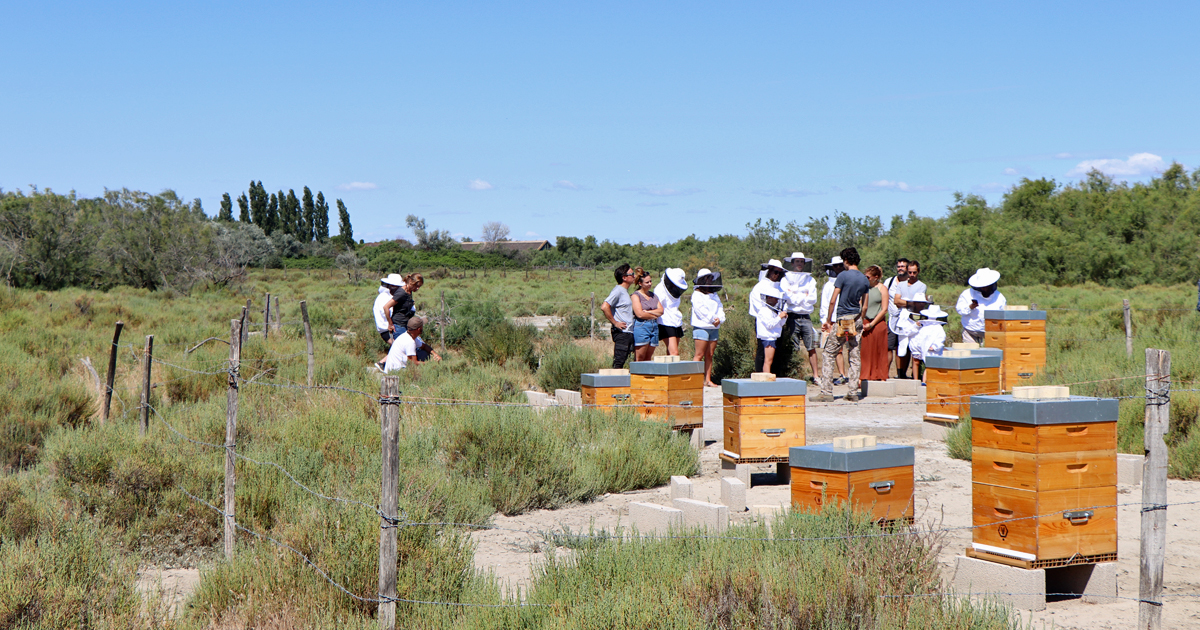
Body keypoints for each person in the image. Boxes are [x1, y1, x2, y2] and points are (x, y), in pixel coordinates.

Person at [817, 247, 869, 402]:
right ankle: (853, 391)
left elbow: (833, 300)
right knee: (854, 353)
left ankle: (826, 391)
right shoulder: (864, 279)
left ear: (846, 260)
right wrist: (861, 319)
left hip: (844, 317)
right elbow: (865, 305)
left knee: (829, 351)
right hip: (857, 317)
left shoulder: (843, 276)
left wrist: (828, 320)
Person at [780, 252, 820, 383]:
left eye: (801, 261)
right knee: (793, 347)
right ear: (792, 263)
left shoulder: (810, 279)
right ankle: (795, 376)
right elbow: (787, 298)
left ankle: (816, 376)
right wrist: (803, 295)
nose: (799, 264)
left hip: (806, 317)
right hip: (791, 317)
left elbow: (813, 298)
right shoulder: (785, 279)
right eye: (797, 261)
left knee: (811, 347)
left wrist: (796, 295)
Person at [890, 260, 928, 379]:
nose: (912, 275)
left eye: (914, 272)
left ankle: (916, 375)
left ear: (918, 272)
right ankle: (901, 373)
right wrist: (910, 303)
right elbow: (896, 301)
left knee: (915, 346)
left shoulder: (922, 286)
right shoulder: (901, 285)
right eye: (910, 272)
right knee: (901, 346)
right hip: (903, 319)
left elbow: (919, 304)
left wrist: (905, 302)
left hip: (914, 318)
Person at [749, 259, 787, 374]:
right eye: (776, 272)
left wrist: (781, 316)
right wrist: (774, 316)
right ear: (769, 271)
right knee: (762, 352)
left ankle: (772, 375)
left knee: (775, 352)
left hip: (777, 324)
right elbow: (759, 307)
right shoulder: (759, 287)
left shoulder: (779, 288)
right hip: (764, 323)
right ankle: (760, 375)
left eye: (780, 273)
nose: (777, 275)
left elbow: (784, 303)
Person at [691, 269, 725, 387]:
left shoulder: (714, 294)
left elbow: (720, 307)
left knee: (710, 354)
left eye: (711, 278)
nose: (710, 280)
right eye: (708, 278)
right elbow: (700, 310)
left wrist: (720, 318)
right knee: (699, 354)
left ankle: (708, 380)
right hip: (701, 327)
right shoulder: (696, 294)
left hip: (714, 328)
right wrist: (712, 319)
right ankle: (694, 381)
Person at [956, 267, 1006, 343]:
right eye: (983, 287)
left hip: (991, 331)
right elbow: (960, 310)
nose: (985, 289)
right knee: (971, 353)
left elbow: (1003, 315)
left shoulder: (999, 297)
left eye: (987, 286)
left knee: (993, 353)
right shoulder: (967, 294)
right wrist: (970, 307)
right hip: (970, 330)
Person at [819, 256, 849, 385]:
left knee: (848, 348)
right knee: (831, 349)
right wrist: (826, 321)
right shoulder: (828, 285)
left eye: (840, 265)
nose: (838, 268)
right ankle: (831, 375)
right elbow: (825, 304)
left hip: (846, 318)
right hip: (832, 320)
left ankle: (845, 375)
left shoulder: (848, 282)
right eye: (835, 266)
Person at [600, 264, 636, 368]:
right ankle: (613, 383)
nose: (634, 276)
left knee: (625, 361)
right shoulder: (618, 290)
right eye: (631, 274)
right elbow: (605, 306)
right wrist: (615, 323)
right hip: (622, 333)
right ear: (624, 277)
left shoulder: (624, 291)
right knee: (619, 362)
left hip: (628, 332)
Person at [859, 265, 890, 383]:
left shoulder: (882, 288)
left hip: (877, 323)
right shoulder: (864, 288)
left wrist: (872, 324)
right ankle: (864, 377)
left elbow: (884, 309)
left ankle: (881, 376)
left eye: (867, 277)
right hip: (865, 322)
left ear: (875, 277)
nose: (865, 278)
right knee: (865, 352)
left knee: (880, 351)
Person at [630, 267, 663, 361]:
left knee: (648, 357)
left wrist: (648, 312)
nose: (650, 284)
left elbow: (661, 310)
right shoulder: (636, 296)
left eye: (650, 281)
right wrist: (655, 314)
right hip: (641, 326)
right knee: (640, 357)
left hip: (654, 326)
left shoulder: (653, 295)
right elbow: (640, 314)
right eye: (647, 282)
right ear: (640, 283)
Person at [909, 305, 949, 381]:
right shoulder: (937, 327)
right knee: (930, 366)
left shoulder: (926, 327)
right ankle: (924, 381)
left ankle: (924, 381)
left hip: (926, 348)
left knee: (929, 366)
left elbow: (918, 338)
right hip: (928, 349)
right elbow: (941, 338)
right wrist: (935, 347)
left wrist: (934, 347)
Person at [654, 268, 688, 356]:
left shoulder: (674, 290)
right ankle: (674, 369)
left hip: (675, 320)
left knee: (671, 353)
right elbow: (657, 307)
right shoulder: (659, 289)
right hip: (665, 322)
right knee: (674, 353)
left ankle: (669, 369)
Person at [883, 259, 908, 372]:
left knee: (902, 347)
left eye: (903, 266)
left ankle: (901, 373)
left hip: (907, 319)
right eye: (898, 266)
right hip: (892, 319)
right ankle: (885, 372)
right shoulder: (889, 281)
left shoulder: (910, 282)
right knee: (888, 346)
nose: (900, 268)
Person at [755, 286, 788, 373]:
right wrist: (779, 317)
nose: (777, 301)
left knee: (769, 361)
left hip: (773, 338)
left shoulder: (772, 311)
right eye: (775, 299)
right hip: (768, 338)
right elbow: (770, 325)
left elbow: (779, 324)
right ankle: (767, 377)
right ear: (769, 298)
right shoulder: (764, 311)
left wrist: (783, 317)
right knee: (768, 361)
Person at [383, 273, 424, 340]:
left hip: (406, 324)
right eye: (416, 286)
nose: (417, 288)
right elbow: (386, 307)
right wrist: (390, 324)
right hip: (398, 326)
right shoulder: (401, 293)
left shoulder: (409, 291)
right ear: (411, 282)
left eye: (419, 286)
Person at [374, 273, 404, 345]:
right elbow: (386, 313)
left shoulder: (392, 296)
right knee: (401, 350)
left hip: (395, 327)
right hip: (387, 329)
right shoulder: (383, 297)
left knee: (398, 352)